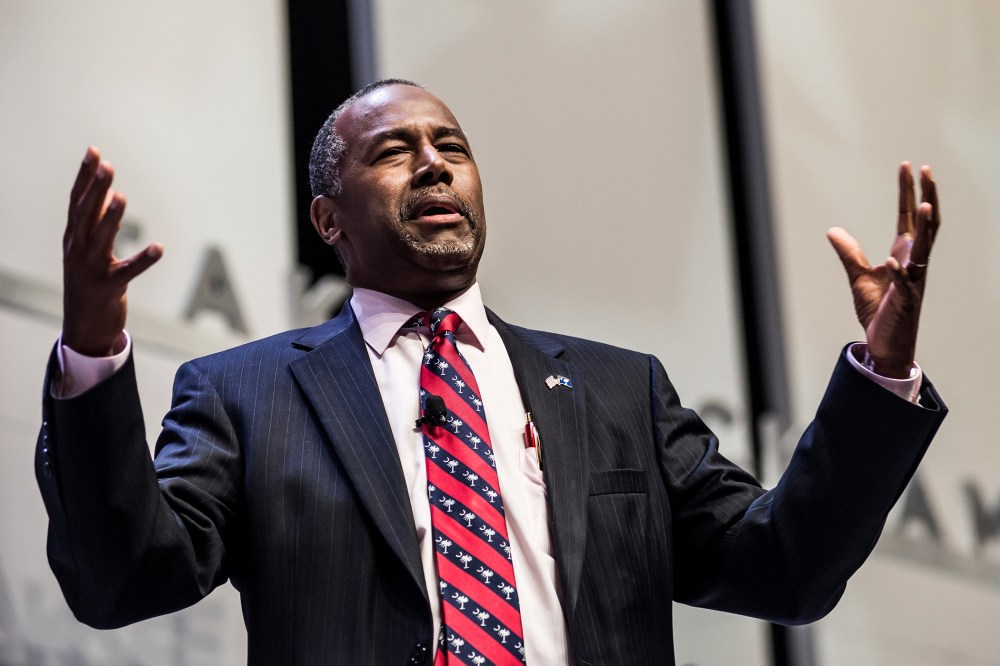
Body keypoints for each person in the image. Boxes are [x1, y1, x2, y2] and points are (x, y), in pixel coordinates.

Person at [37, 79, 946, 666]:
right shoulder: (245, 395)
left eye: (453, 147)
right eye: (393, 151)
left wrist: (883, 370)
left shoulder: (618, 390)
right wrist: (90, 353)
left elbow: (784, 569)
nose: (434, 164)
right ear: (328, 219)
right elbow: (125, 580)